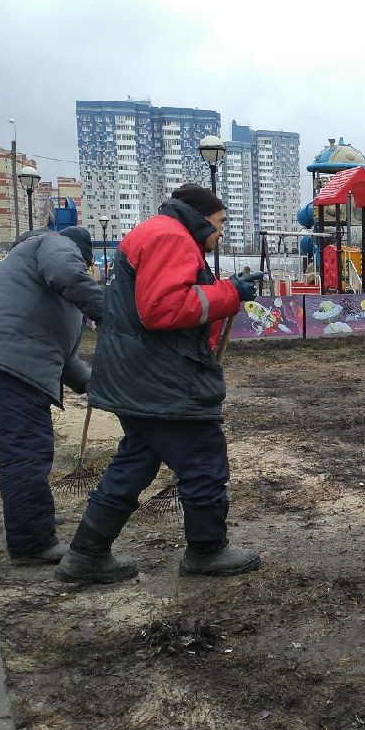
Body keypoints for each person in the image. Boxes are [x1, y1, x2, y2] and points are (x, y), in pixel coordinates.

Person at [56, 184, 263, 584]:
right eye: (219, 224)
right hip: (167, 379)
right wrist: (229, 293)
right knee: (203, 461)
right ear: (201, 217)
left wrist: (223, 291)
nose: (220, 234)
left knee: (134, 463)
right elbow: (163, 309)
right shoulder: (173, 237)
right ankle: (207, 550)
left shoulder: (152, 232)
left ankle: (87, 553)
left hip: (139, 376)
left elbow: (159, 300)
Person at [0, 226, 104, 563]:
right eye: (85, 264)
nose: (84, 270)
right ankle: (31, 544)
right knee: (26, 452)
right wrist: (112, 314)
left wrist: (89, 384)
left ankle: (33, 520)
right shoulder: (55, 244)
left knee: (20, 449)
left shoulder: (33, 285)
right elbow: (67, 272)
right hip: (9, 362)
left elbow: (60, 351)